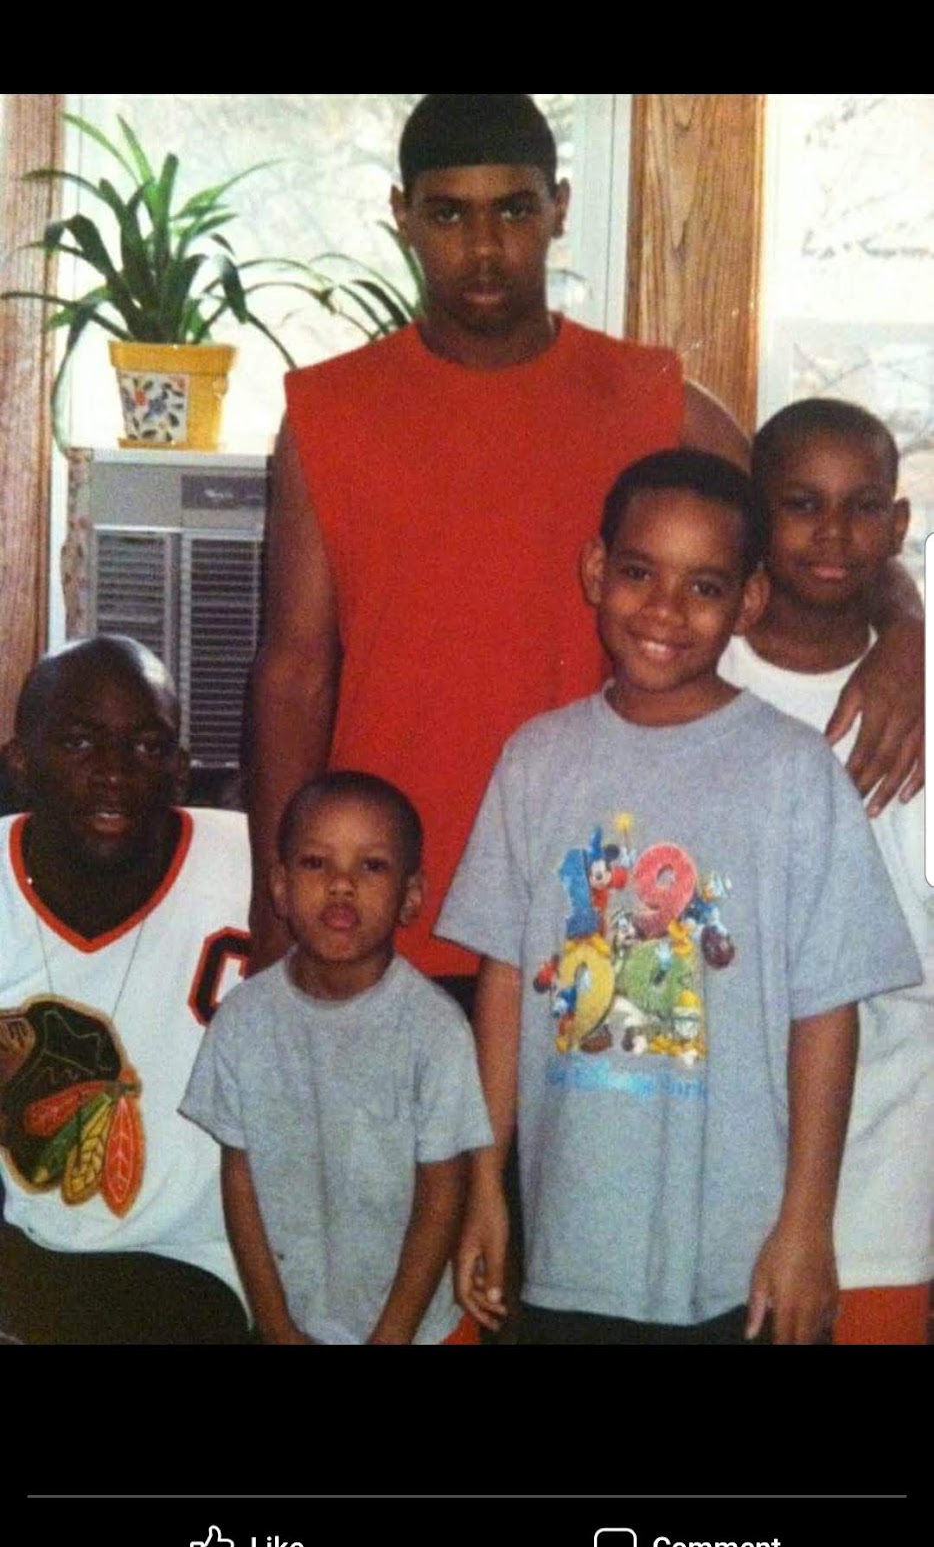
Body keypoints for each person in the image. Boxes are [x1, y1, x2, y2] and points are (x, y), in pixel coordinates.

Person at [246, 93, 923, 993]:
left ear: (558, 208)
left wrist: (908, 632)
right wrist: (275, 908)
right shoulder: (327, 416)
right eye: (448, 214)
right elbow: (294, 672)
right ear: (402, 216)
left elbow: (815, 543)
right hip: (382, 908)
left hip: (598, 914)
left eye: (513, 210)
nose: (484, 247)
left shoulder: (653, 400)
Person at [436, 449, 922, 1345]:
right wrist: (485, 1188)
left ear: (749, 601)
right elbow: (502, 986)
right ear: (595, 571)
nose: (664, 610)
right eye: (638, 573)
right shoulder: (536, 761)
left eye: (704, 587)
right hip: (568, 1242)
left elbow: (827, 1014)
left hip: (743, 1264)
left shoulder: (792, 771)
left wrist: (807, 1225)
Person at [720, 399, 932, 1344]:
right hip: (716, 1138)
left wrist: (911, 638)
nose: (834, 534)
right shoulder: (695, 678)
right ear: (757, 516)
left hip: (886, 1142)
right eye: (802, 504)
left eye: (863, 506)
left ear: (899, 522)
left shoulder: (918, 692)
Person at [181, 771, 493, 1345]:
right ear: (280, 887)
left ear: (411, 895)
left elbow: (442, 1195)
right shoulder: (244, 1021)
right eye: (315, 863)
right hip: (294, 1318)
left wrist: (391, 1337)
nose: (342, 885)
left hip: (415, 1328)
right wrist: (277, 1326)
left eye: (371, 866)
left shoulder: (434, 1031)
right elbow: (240, 1180)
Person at [0, 636, 252, 1345]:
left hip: (199, 1258)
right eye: (78, 743)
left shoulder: (251, 862)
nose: (113, 773)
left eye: (146, 747)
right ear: (22, 763)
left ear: (179, 771)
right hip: (26, 1248)